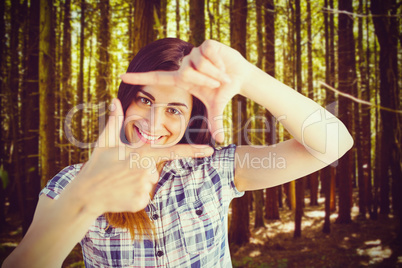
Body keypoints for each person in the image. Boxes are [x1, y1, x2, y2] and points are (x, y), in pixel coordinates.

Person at [2, 38, 353, 268]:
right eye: (145, 100)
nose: (154, 121)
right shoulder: (70, 184)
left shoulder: (214, 169)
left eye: (174, 109)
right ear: (126, 100)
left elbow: (334, 145)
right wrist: (83, 201)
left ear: (190, 120)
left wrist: (247, 78)